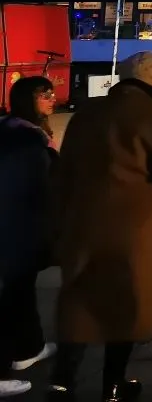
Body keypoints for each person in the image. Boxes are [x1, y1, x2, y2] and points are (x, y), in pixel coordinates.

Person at [47, 51, 152, 401]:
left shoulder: (87, 113)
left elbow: (64, 173)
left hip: (83, 223)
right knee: (127, 304)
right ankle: (113, 384)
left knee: (79, 300)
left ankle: (62, 380)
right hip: (135, 230)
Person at [0, 77, 59, 398]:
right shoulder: (25, 138)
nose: (51, 98)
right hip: (18, 225)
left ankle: (28, 348)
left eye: (51, 92)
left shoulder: (16, 129)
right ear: (27, 99)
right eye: (43, 95)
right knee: (14, 292)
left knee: (19, 290)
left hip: (17, 225)